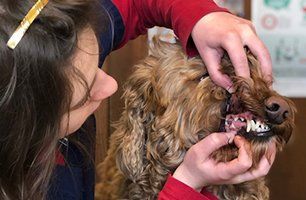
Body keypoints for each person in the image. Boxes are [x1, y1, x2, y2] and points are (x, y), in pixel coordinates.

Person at [0, 0, 276, 199]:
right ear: (30, 129)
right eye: (84, 95)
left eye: (96, 61)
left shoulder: (60, 44)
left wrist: (202, 16)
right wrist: (186, 186)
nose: (111, 85)